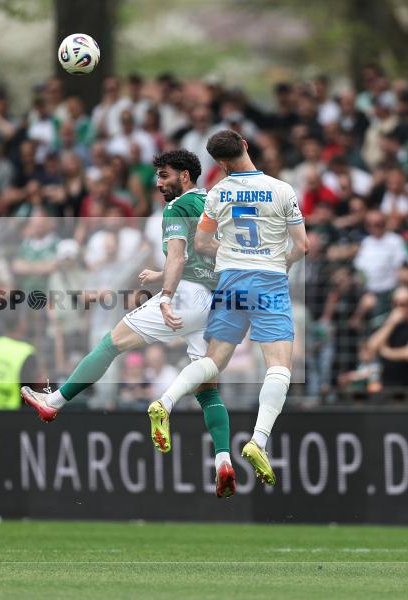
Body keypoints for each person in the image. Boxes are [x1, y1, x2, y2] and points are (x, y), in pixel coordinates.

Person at [20, 149, 236, 498]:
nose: (159, 183)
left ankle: (55, 402)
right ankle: (223, 460)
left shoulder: (176, 208)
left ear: (185, 176)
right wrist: (162, 273)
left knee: (111, 343)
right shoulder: (213, 204)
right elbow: (207, 256)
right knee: (207, 387)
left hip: (185, 296)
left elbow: (181, 255)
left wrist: (165, 295)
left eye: (165, 175)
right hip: (214, 301)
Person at [150, 130, 308, 487]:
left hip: (231, 280)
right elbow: (303, 245)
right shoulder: (282, 189)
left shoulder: (218, 193)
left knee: (212, 361)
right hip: (269, 281)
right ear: (246, 147)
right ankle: (258, 440)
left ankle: (166, 400)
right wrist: (279, 262)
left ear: (220, 164)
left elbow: (202, 242)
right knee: (279, 366)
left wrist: (234, 256)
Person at [363, 286, 408, 391]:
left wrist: (385, 351)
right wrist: (391, 323)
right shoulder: (386, 325)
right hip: (386, 386)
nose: (401, 308)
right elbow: (370, 348)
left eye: (405, 304)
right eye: (397, 304)